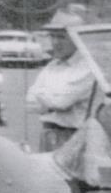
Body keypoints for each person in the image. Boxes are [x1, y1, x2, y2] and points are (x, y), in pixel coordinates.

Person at [25, 14, 94, 152]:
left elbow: (61, 102)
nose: (55, 42)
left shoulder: (87, 67)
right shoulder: (53, 65)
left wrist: (42, 96)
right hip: (48, 133)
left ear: (78, 39)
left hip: (73, 136)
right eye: (53, 36)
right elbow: (29, 103)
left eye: (61, 37)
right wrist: (50, 100)